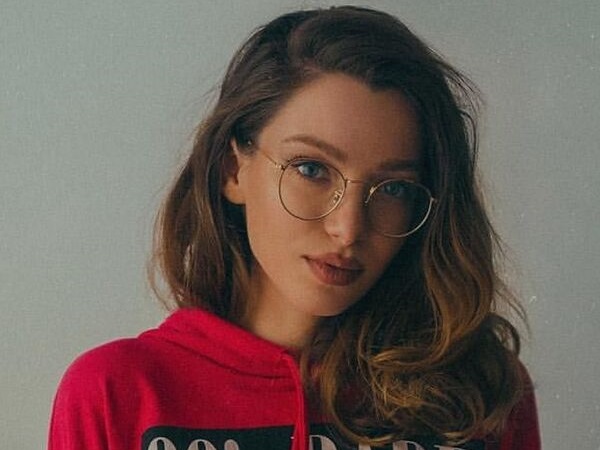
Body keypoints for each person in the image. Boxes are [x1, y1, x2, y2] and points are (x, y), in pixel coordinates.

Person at [48, 5, 541, 450]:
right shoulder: (118, 391)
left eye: (392, 188)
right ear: (232, 170)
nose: (348, 228)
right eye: (311, 169)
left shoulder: (479, 391)